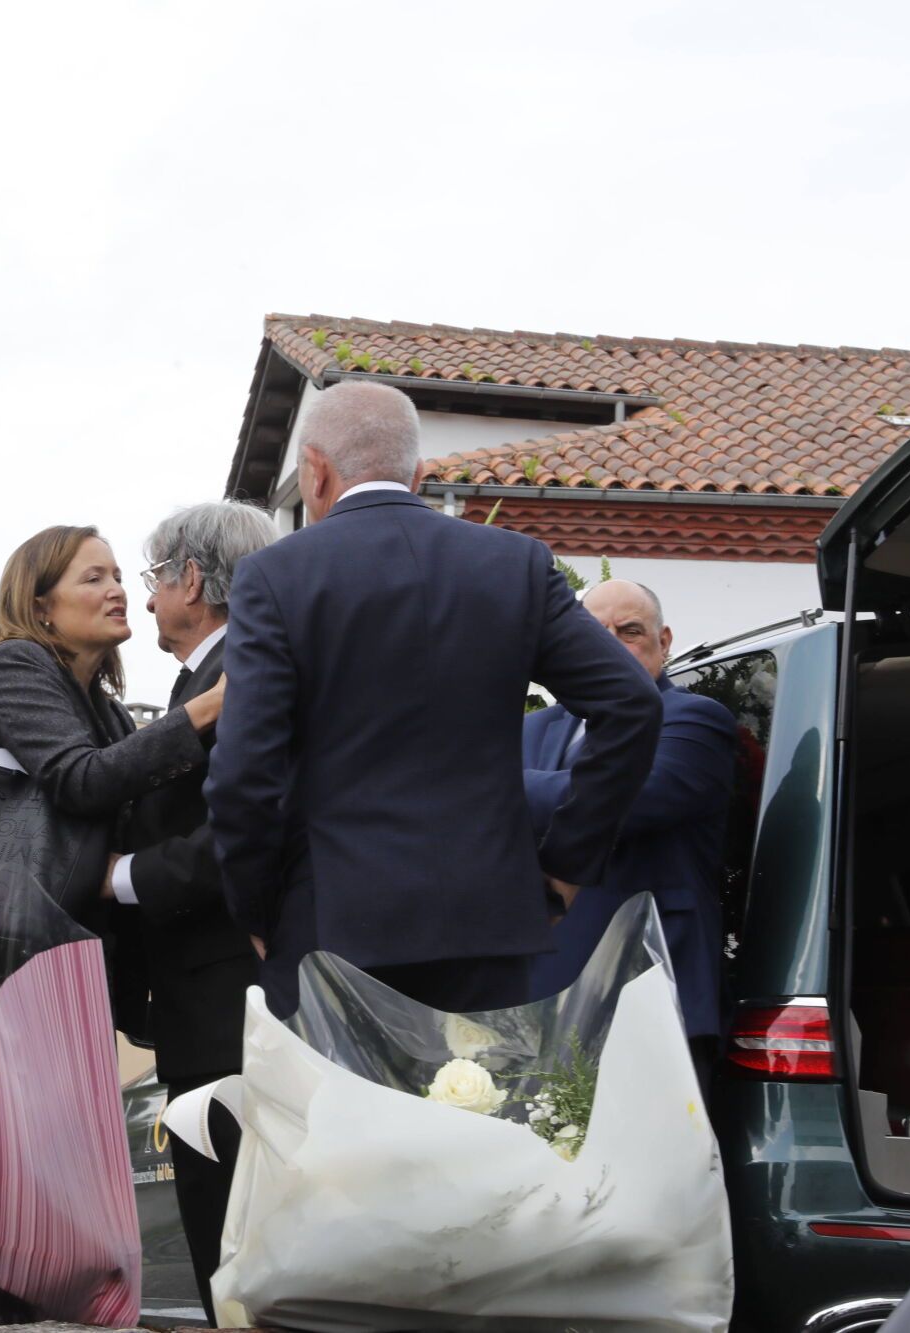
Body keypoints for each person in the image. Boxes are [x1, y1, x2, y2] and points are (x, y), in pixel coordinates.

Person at [205, 380, 662, 1019]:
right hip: (488, 923)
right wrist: (567, 864)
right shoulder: (516, 564)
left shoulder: (278, 577)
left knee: (343, 1119)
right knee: (479, 1111)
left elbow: (243, 773)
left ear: (314, 469)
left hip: (331, 925)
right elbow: (633, 705)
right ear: (418, 474)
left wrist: (256, 909)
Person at [116, 500, 276, 1324]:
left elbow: (242, 826)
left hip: (231, 1000)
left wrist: (125, 877)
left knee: (236, 1239)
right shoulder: (200, 677)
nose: (145, 601)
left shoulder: (243, 672)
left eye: (152, 579)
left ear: (191, 578)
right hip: (200, 1000)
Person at [0, 526, 225, 942]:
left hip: (85, 935)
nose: (117, 590)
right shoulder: (14, 663)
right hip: (10, 939)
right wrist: (210, 704)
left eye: (117, 576)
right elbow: (80, 779)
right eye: (94, 578)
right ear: (40, 603)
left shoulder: (112, 714)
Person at [523, 579, 734, 1082]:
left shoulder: (695, 719)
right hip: (537, 998)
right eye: (595, 633)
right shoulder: (533, 729)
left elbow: (626, 800)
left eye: (630, 631)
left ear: (664, 642)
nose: (612, 644)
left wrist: (489, 786)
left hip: (652, 990)